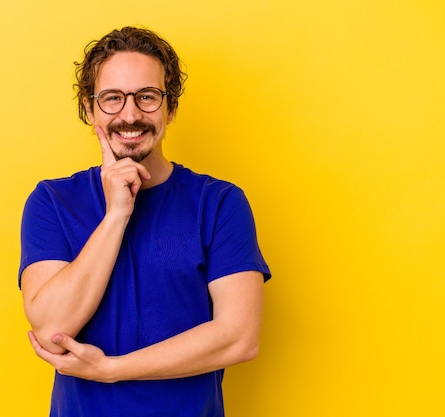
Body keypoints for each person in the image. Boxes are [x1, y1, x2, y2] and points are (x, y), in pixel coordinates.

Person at [19, 26, 271, 417]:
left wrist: (112, 370)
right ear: (90, 109)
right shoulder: (52, 201)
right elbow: (53, 327)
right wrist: (117, 214)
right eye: (112, 99)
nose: (130, 115)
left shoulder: (219, 203)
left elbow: (239, 337)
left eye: (147, 97)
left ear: (170, 109)